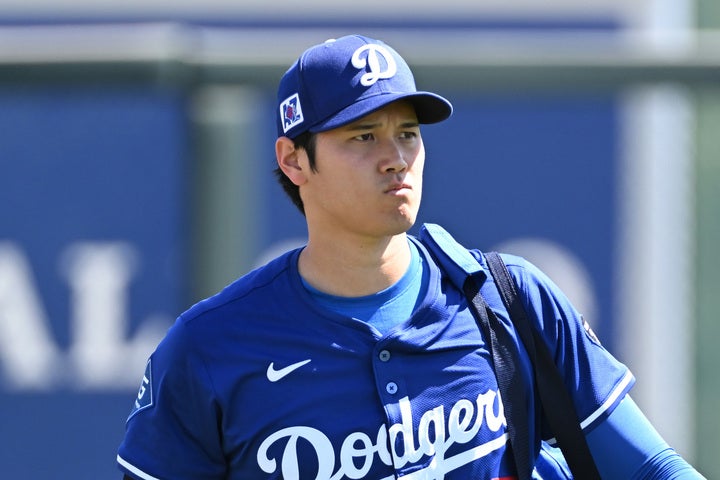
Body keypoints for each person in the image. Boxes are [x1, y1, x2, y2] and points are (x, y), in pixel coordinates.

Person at [117, 34, 705, 479]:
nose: (396, 157)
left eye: (408, 133)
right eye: (363, 136)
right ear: (295, 161)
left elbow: (650, 468)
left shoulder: (506, 297)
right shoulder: (207, 349)